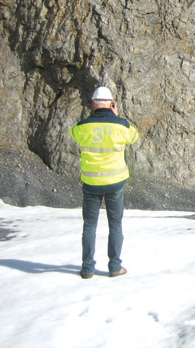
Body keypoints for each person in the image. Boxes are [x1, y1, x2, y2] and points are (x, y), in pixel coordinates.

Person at [70, 86, 139, 279]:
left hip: (91, 183)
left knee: (89, 225)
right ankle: (115, 267)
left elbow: (73, 134)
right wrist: (117, 116)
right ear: (111, 104)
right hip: (115, 183)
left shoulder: (82, 127)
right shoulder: (121, 126)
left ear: (93, 105)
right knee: (115, 225)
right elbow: (134, 136)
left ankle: (87, 269)